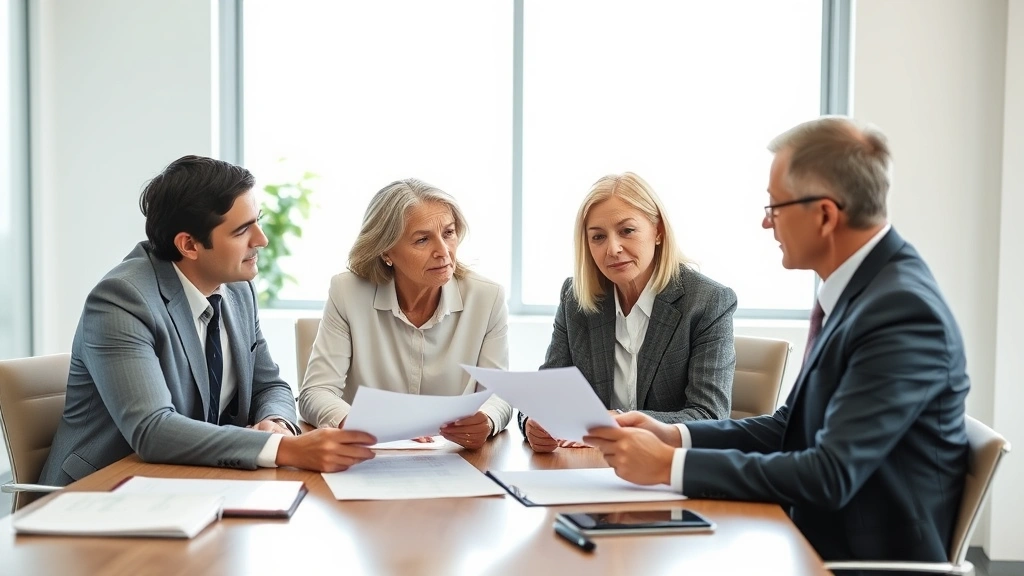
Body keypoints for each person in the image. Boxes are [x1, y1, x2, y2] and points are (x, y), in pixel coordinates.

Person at [584, 117, 970, 564]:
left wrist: (668, 467)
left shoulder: (902, 312)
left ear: (824, 214)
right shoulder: (864, 290)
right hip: (809, 539)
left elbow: (829, 474)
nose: (767, 223)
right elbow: (789, 428)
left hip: (850, 560)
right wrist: (674, 436)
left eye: (775, 207)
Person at [40, 156, 377, 486]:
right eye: (243, 230)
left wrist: (275, 423)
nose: (261, 239)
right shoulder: (121, 300)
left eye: (257, 221)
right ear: (189, 245)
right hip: (102, 495)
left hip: (189, 483)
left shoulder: (236, 290)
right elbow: (153, 430)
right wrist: (282, 449)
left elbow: (269, 385)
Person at [520, 172, 737, 453]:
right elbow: (545, 395)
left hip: (667, 469)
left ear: (658, 232)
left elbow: (709, 416)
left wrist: (619, 423)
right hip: (589, 468)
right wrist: (532, 423)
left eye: (627, 231)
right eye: (598, 237)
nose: (612, 249)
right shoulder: (576, 299)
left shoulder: (707, 302)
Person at [298, 178, 512, 450]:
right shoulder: (347, 292)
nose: (443, 252)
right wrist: (360, 423)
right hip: (365, 456)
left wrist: (488, 419)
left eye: (448, 233)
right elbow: (315, 393)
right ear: (386, 251)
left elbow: (499, 394)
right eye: (422, 240)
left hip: (452, 459)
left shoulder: (487, 297)